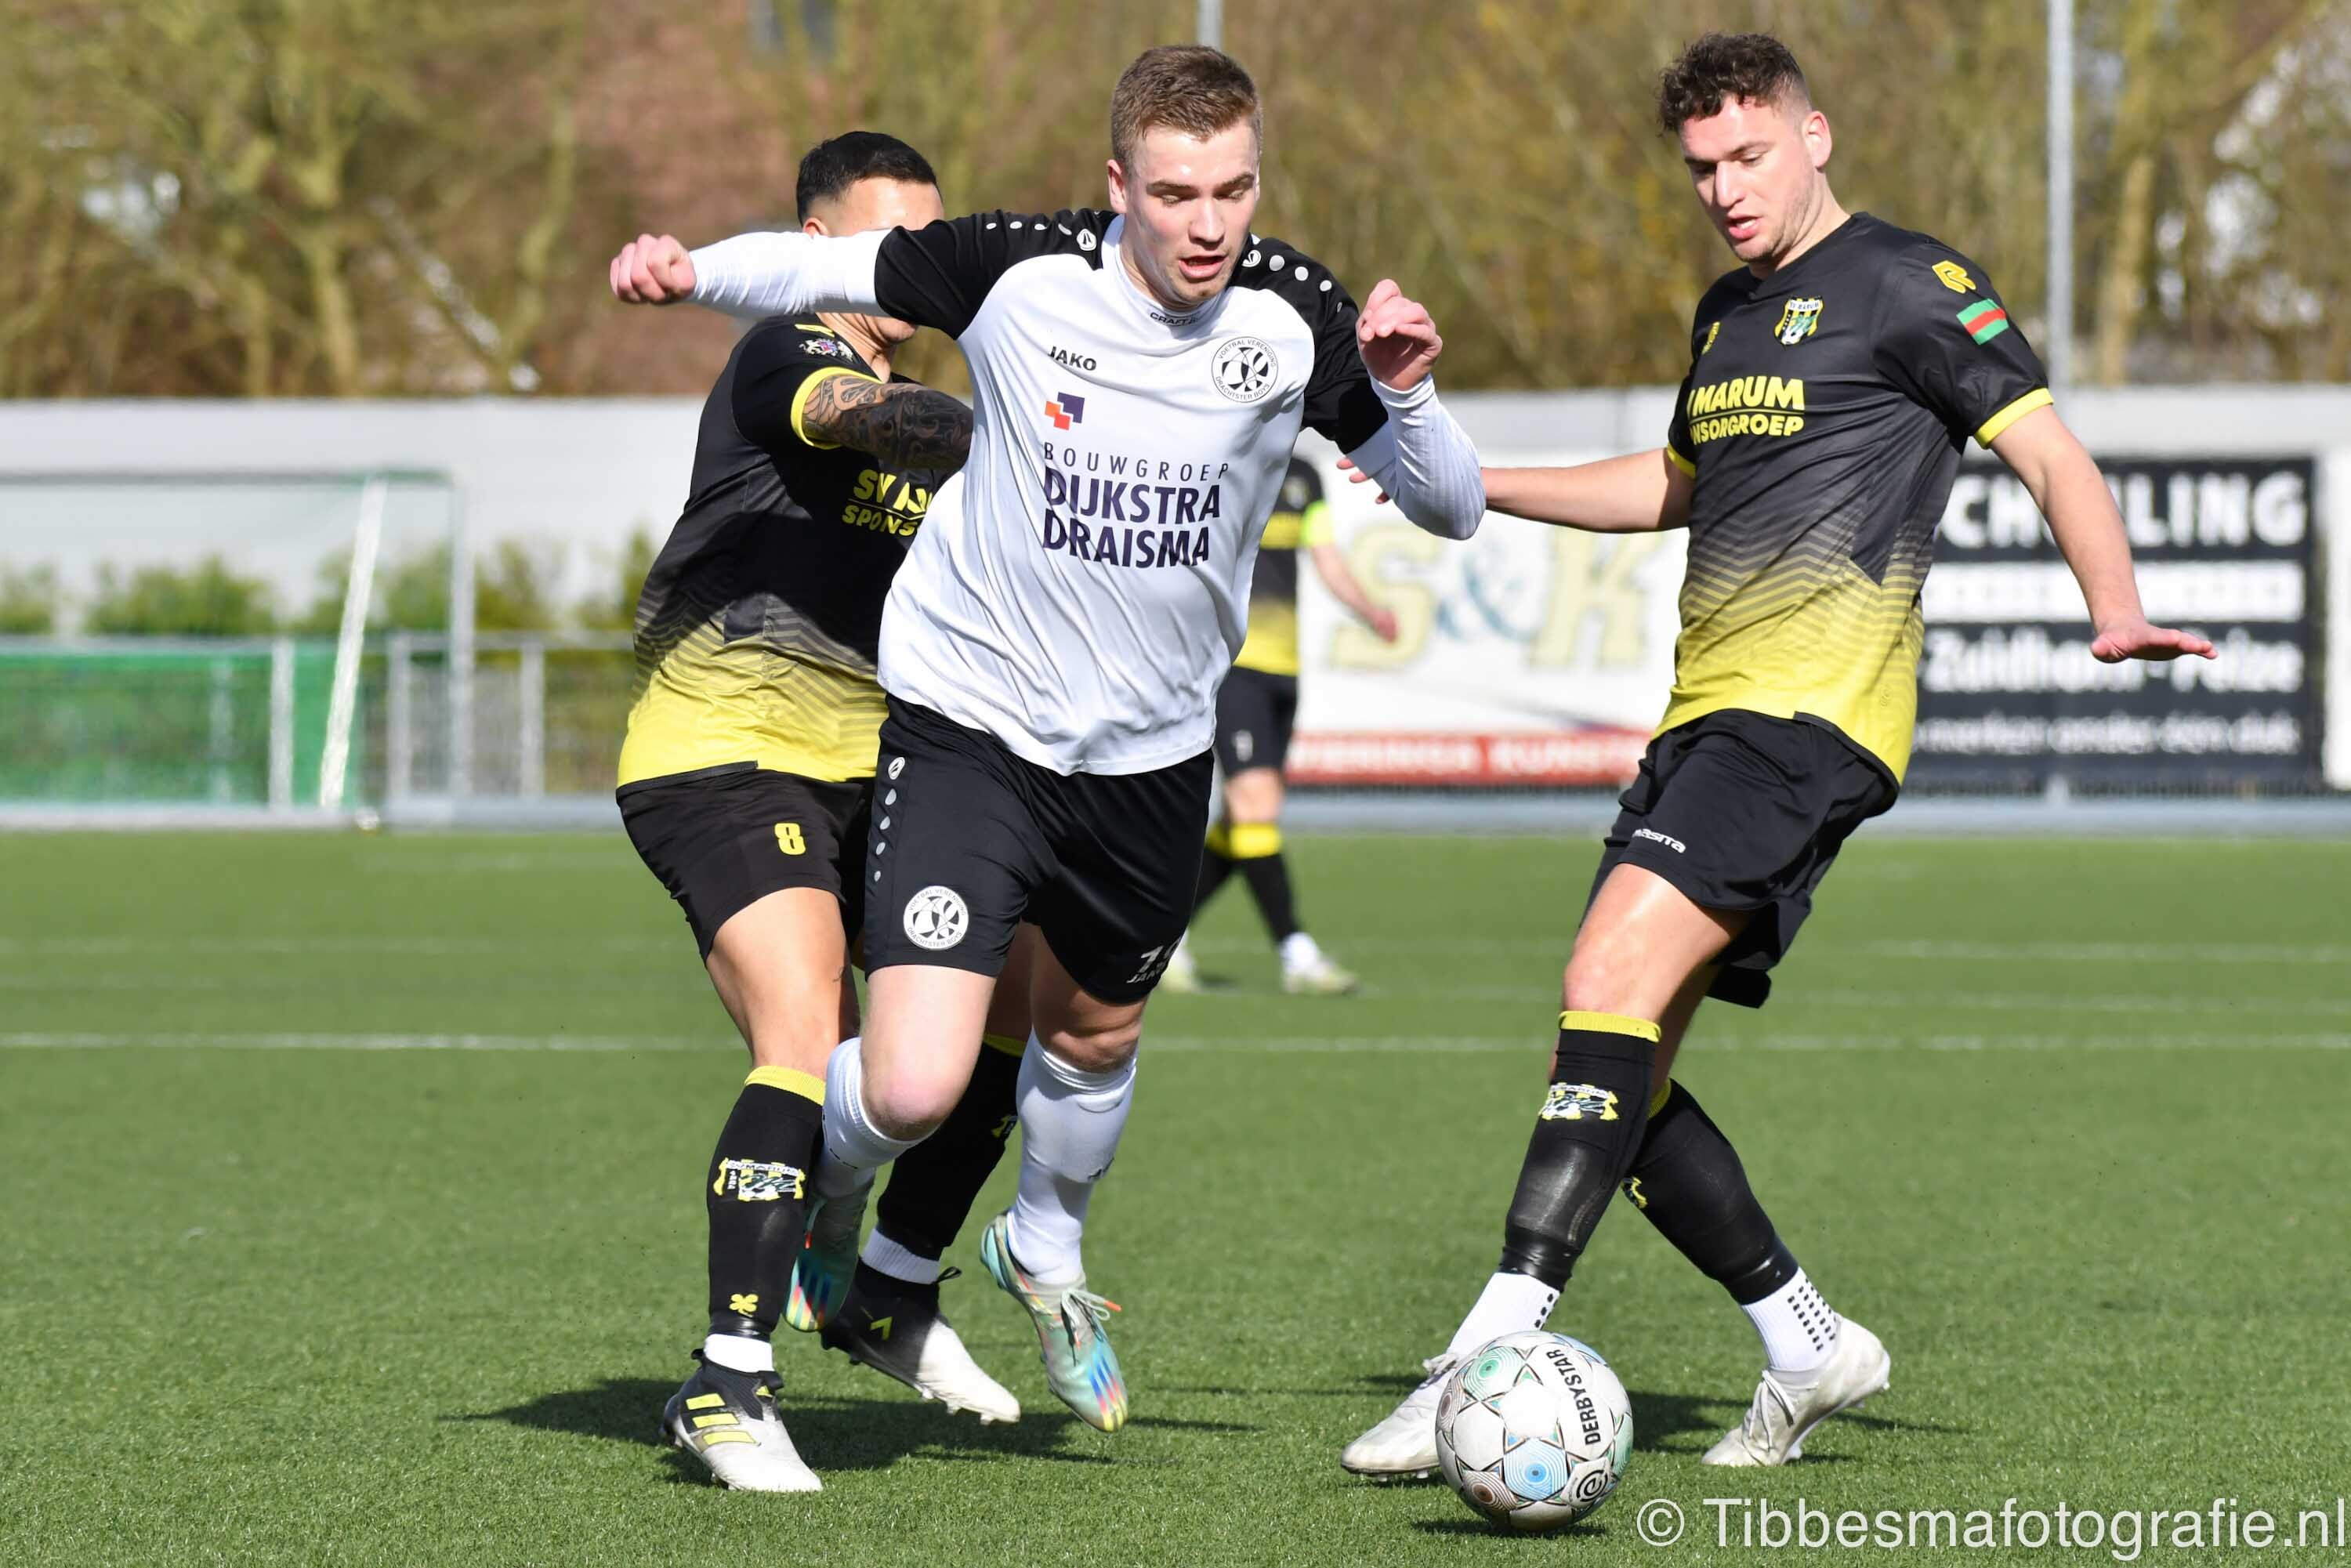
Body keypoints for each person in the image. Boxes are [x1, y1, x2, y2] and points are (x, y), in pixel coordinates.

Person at [1339, 31, 2214, 1478]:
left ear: (1816, 136)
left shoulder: (1911, 284)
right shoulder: (1727, 314)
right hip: (1705, 717)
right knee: (1615, 1065)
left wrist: (2111, 603)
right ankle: (1808, 1344)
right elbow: (1671, 484)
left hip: (1811, 718)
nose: (1726, 189)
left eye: (1750, 155)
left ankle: (1477, 1360)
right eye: (1702, 168)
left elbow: (2051, 451)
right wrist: (1470, 480)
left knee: (1604, 983)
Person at [614, 44, 1485, 1460]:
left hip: (1147, 762)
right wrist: (687, 267)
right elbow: (809, 277)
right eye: (1177, 193)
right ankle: (765, 1318)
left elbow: (1451, 505)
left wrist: (1409, 393)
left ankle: (1022, 1252)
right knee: (904, 1079)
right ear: (1119, 184)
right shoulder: (1013, 274)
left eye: (1234, 191)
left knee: (1084, 1038)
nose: (1208, 223)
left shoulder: (1296, 316)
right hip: (964, 734)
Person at [618, 132, 1035, 1494]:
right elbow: (865, 421)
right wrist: (1048, 430)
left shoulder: (943, 401)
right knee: (805, 1037)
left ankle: (884, 1288)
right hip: (724, 747)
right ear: (814, 249)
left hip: (883, 766)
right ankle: (727, 1380)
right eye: (883, 242)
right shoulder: (786, 352)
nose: (910, 268)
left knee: (1016, 1008)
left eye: (926, 243)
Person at [1161, 454, 1397, 996]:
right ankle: (1297, 953)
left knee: (1246, 820)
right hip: (1232, 665)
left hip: (1284, 673)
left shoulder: (1305, 476)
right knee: (1256, 805)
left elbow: (1327, 558)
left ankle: (1162, 936)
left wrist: (1370, 611)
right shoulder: (1217, 457)